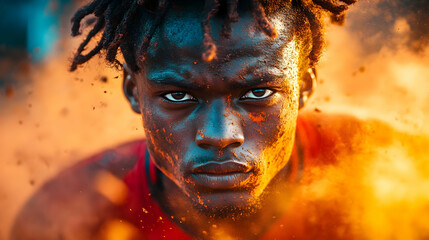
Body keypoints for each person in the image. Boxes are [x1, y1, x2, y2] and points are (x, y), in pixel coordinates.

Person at [14, 0, 418, 239]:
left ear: (304, 88)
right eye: (179, 95)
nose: (220, 135)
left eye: (258, 93)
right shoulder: (70, 218)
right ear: (135, 93)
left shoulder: (400, 177)